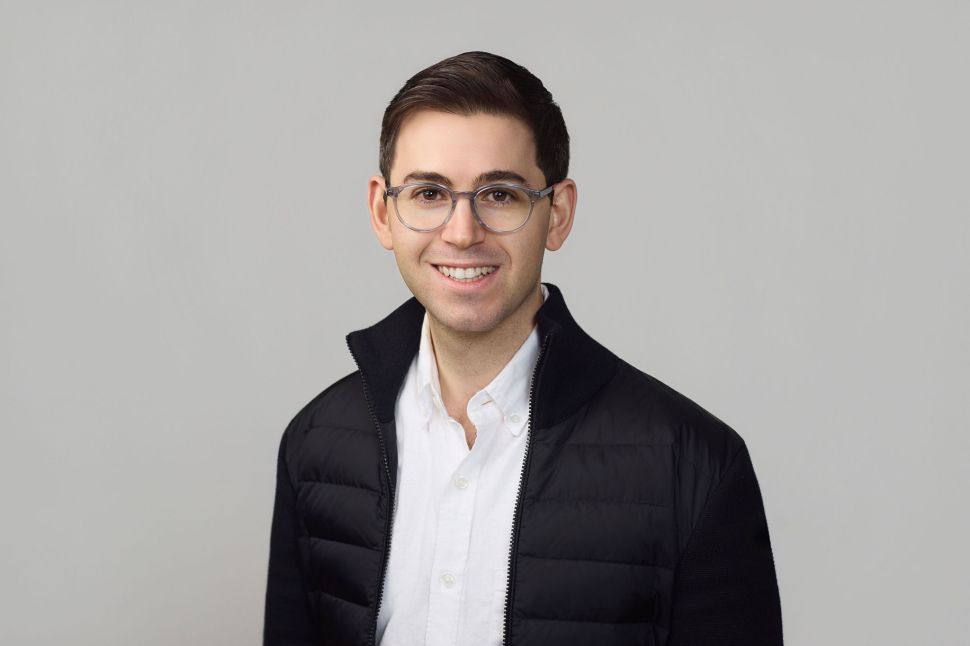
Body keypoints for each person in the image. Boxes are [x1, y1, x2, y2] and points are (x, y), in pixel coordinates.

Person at [263, 51, 783, 646]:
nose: (462, 233)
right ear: (384, 212)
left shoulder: (695, 464)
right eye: (430, 193)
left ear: (556, 215)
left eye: (501, 196)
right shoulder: (315, 444)